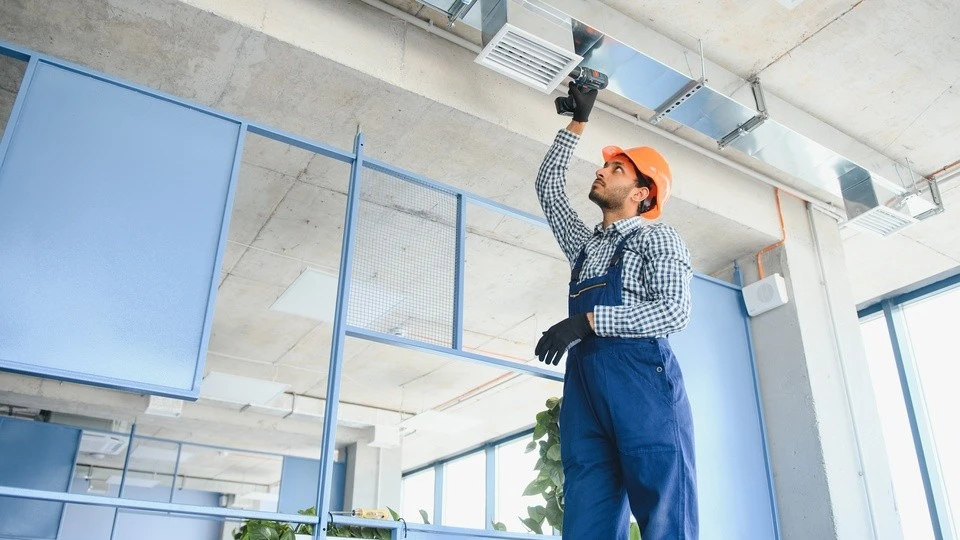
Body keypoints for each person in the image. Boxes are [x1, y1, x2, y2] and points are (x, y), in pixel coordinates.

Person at [534, 82, 698, 539]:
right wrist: (577, 123)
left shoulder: (657, 239)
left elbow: (673, 312)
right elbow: (547, 188)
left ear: (643, 194)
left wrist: (588, 321)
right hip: (587, 397)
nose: (603, 171)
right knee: (586, 523)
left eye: (617, 168)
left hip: (643, 392)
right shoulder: (585, 247)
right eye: (605, 164)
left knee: (667, 518)